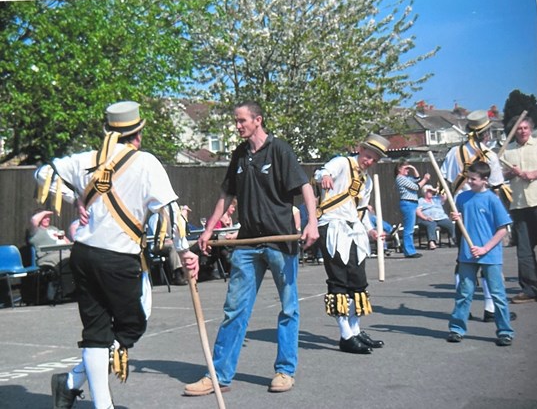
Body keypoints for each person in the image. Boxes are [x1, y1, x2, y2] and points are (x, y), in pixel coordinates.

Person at [35, 100, 199, 409]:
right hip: (119, 259)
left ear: (109, 131)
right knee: (131, 324)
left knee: (96, 330)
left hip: (83, 255)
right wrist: (185, 251)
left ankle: (82, 391)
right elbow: (170, 212)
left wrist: (76, 199)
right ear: (138, 133)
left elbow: (43, 174)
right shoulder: (147, 163)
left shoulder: (88, 159)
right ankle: (74, 383)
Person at [184, 100, 318, 396]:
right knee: (235, 309)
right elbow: (226, 193)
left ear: (257, 120)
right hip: (247, 244)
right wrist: (208, 229)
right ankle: (219, 375)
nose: (237, 125)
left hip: (280, 242)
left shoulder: (279, 150)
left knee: (288, 307)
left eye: (242, 120)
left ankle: (284, 371)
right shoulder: (240, 155)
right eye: (236, 120)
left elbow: (305, 187)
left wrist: (312, 223)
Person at [314, 134, 390, 354]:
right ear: (360, 149)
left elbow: (361, 211)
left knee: (358, 279)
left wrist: (371, 230)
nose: (368, 162)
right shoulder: (342, 162)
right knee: (339, 279)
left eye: (373, 160)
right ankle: (345, 334)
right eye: (367, 156)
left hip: (354, 229)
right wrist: (325, 177)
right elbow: (322, 172)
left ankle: (356, 330)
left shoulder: (365, 181)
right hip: (333, 225)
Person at [441, 110, 508, 322]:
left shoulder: (453, 153)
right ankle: (490, 308)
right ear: (485, 133)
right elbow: (497, 188)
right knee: (487, 261)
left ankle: (464, 308)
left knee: (462, 261)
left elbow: (444, 182)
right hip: (483, 216)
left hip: (459, 214)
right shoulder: (490, 156)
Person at [446, 161, 515, 346]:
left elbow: (503, 229)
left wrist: (485, 248)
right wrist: (456, 218)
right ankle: (456, 329)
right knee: (464, 292)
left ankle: (505, 331)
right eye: (468, 178)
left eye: (473, 179)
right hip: (467, 254)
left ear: (485, 180)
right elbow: (461, 219)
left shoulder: (492, 199)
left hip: (489, 254)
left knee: (497, 294)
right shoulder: (462, 198)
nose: (469, 181)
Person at [502, 115, 537, 303]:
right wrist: (510, 173)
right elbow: (500, 176)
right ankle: (531, 289)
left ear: (530, 129)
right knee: (524, 250)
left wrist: (533, 173)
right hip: (519, 205)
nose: (522, 131)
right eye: (519, 128)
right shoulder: (508, 152)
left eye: (525, 128)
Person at [394, 159, 431, 258]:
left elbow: (417, 178)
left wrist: (413, 168)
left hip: (412, 203)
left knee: (410, 228)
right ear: (399, 169)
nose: (408, 170)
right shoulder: (400, 178)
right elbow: (416, 187)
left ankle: (409, 249)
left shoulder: (406, 178)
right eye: (405, 168)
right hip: (407, 203)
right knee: (409, 229)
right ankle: (409, 251)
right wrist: (425, 179)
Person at [147, 201, 187, 286]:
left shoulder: (175, 217)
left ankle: (198, 270)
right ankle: (177, 274)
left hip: (172, 241)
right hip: (157, 245)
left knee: (189, 244)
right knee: (173, 246)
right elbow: (156, 235)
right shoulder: (156, 218)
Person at [416, 185, 456, 250]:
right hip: (427, 219)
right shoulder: (421, 200)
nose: (431, 193)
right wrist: (425, 218)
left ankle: (455, 239)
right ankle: (431, 242)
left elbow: (445, 196)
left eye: (431, 191)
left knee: (450, 224)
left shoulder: (436, 198)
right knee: (431, 224)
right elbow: (418, 212)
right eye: (429, 191)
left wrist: (437, 190)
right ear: (425, 192)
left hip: (440, 218)